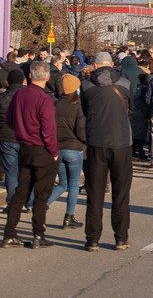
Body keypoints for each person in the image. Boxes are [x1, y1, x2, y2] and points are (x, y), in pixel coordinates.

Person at [2, 62, 59, 249]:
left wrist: (21, 132)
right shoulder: (44, 99)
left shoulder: (19, 94)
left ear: (30, 76)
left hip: (24, 148)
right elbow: (49, 129)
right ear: (47, 78)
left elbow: (10, 120)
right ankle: (38, 234)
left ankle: (10, 233)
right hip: (41, 149)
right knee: (41, 194)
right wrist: (54, 152)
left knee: (21, 191)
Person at [80, 51, 133, 251]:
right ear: (112, 65)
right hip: (121, 141)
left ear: (94, 66)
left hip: (96, 142)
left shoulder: (86, 86)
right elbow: (131, 110)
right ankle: (121, 237)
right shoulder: (125, 85)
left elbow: (85, 111)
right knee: (121, 193)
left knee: (95, 193)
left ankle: (92, 238)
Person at [47, 74, 86, 229]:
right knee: (74, 184)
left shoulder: (55, 105)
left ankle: (43, 204)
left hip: (58, 147)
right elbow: (81, 131)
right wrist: (85, 141)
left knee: (62, 183)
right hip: (74, 147)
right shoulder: (77, 107)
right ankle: (69, 216)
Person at [0, 70, 28, 213]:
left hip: (6, 138)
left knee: (11, 172)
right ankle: (29, 202)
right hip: (25, 137)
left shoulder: (2, 97)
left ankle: (12, 203)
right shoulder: (28, 96)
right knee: (27, 171)